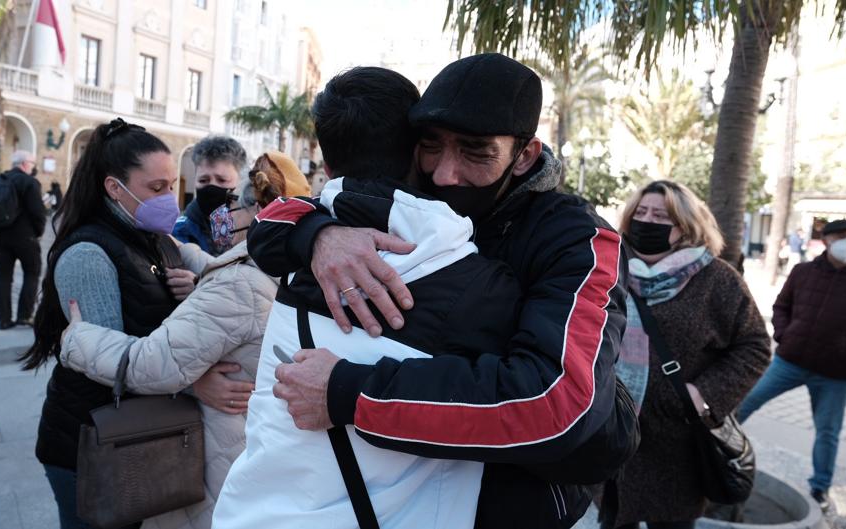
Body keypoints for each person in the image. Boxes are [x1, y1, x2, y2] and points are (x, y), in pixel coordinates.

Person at [244, 55, 636, 529]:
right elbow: (278, 215)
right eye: (432, 145)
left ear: (526, 154)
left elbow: (558, 405)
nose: (447, 174)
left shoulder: (577, 238)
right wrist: (319, 237)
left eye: (476, 151)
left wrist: (349, 392)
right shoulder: (410, 207)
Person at [215, 66, 525, 529]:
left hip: (253, 510)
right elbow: (529, 398)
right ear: (419, 148)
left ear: (327, 155)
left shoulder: (294, 242)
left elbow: (269, 223)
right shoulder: (475, 281)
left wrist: (315, 235)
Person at [55, 153, 311, 529]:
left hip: (215, 460)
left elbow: (154, 364)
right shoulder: (295, 263)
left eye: (232, 205)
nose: (226, 214)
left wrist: (78, 339)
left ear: (258, 210)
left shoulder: (239, 282)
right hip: (252, 449)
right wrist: (188, 256)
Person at [20, 119, 201, 529]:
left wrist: (194, 290)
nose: (168, 198)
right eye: (156, 188)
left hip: (133, 433)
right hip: (90, 443)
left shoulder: (151, 237)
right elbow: (111, 367)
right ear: (114, 188)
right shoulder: (88, 253)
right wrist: (199, 382)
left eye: (171, 185)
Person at [603, 180, 771, 529]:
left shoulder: (717, 279)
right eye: (641, 213)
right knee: (615, 517)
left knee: (670, 520)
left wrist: (703, 395)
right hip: (615, 432)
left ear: (686, 226)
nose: (647, 221)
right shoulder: (611, 268)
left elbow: (754, 346)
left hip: (677, 442)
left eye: (662, 216)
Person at [738, 218, 846, 513]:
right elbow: (781, 306)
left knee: (828, 432)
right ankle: (710, 452)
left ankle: (820, 487)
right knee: (743, 403)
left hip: (836, 374)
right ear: (827, 241)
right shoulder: (803, 271)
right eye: (841, 236)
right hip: (789, 361)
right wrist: (784, 335)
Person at [0, 150, 47, 329]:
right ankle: (24, 316)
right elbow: (38, 212)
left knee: (3, 278)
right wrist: (39, 232)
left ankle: (4, 320)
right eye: (33, 164)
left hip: (0, 237)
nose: (34, 167)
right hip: (25, 237)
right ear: (25, 164)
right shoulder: (29, 182)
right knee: (32, 273)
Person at [173, 135, 247, 255]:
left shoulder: (252, 233)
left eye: (222, 180)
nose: (211, 187)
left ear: (241, 183)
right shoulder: (178, 234)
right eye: (203, 180)